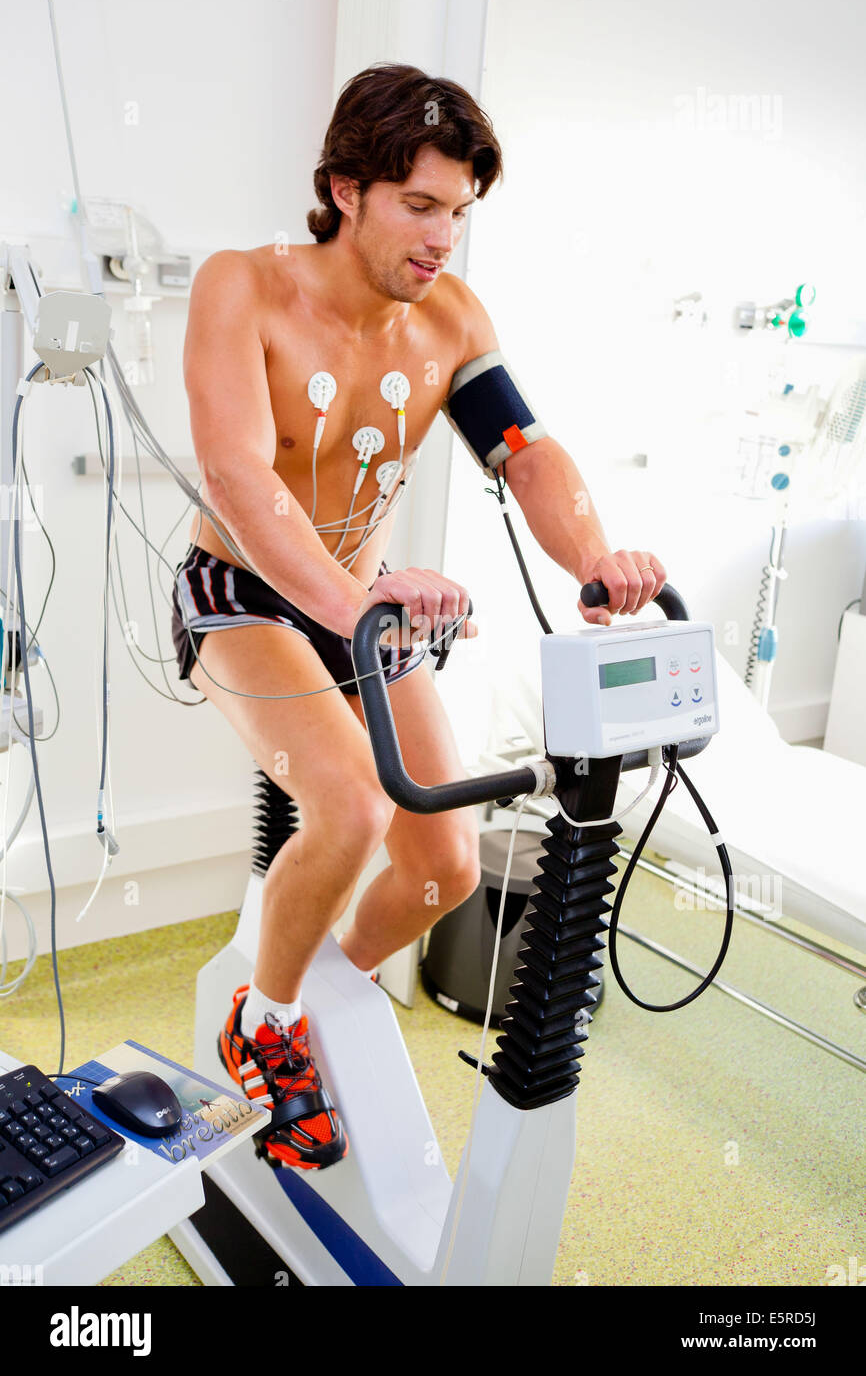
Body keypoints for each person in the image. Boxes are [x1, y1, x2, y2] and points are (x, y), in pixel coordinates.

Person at [171, 63, 666, 1170]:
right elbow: (241, 480)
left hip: (361, 607)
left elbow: (525, 455)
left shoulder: (445, 317)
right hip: (243, 596)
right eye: (421, 206)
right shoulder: (239, 287)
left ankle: (305, 991)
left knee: (442, 861)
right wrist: (365, 604)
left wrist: (597, 559)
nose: (445, 238)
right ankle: (266, 1021)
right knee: (348, 805)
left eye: (460, 213)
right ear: (346, 189)